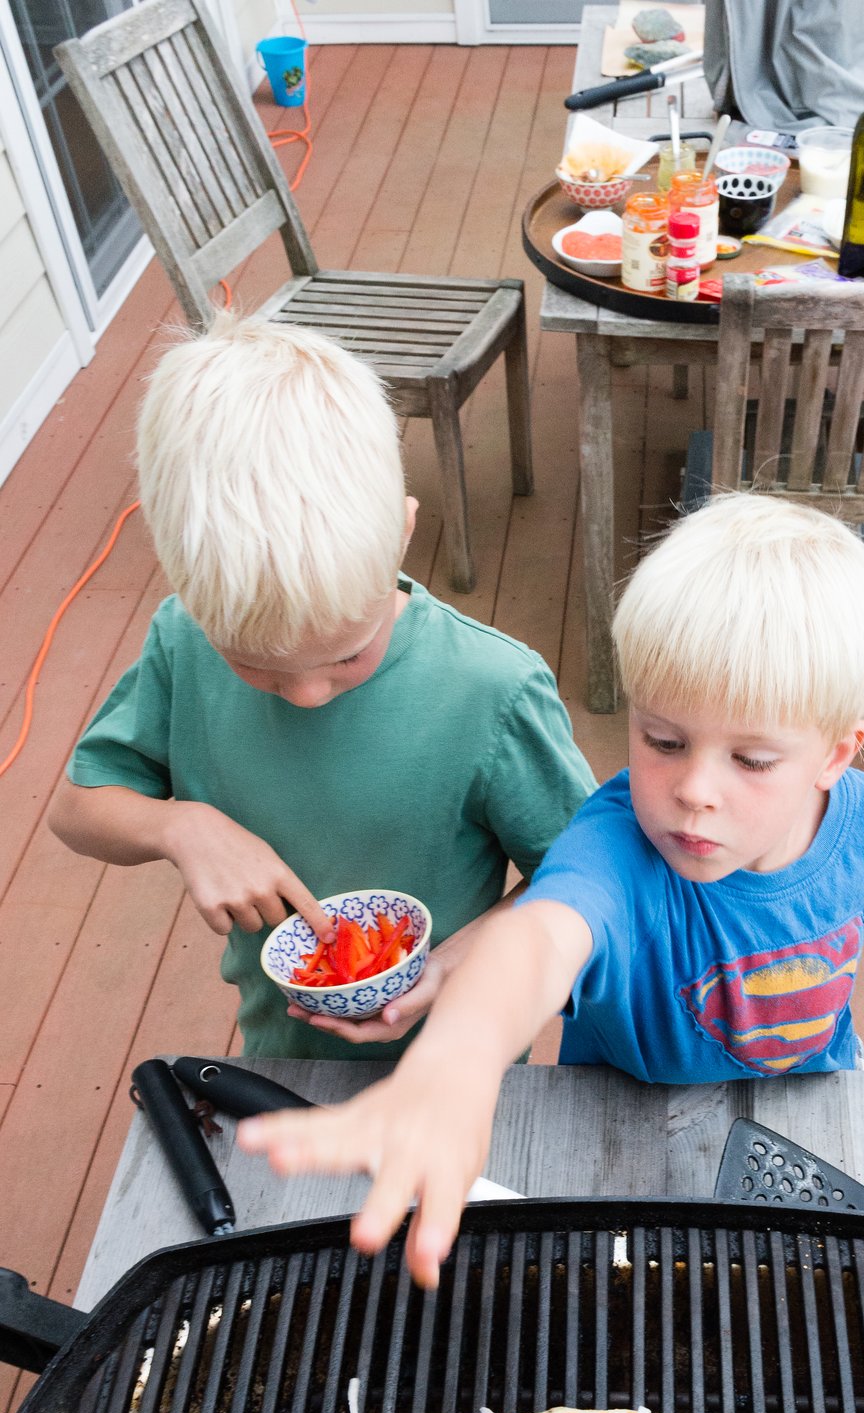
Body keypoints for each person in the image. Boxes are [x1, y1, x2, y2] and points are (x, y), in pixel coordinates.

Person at [240, 494, 864, 1273]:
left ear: (835, 755)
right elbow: (542, 936)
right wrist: (457, 1061)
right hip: (616, 1108)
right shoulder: (618, 843)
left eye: (752, 759)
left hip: (815, 1085)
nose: (694, 789)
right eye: (662, 740)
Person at [48, 314, 595, 1060]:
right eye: (257, 667)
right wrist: (180, 827)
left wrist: (450, 966)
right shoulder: (184, 640)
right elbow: (77, 809)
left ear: (403, 532)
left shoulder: (490, 691)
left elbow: (585, 880)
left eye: (346, 656)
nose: (305, 694)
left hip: (464, 1062)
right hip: (279, 1056)